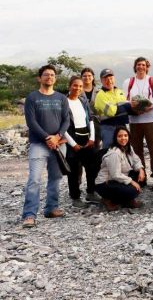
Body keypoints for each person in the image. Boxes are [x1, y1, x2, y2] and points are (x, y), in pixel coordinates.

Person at [21, 65, 71, 228]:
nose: (49, 77)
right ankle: (29, 215)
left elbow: (66, 121)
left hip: (58, 145)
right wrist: (47, 138)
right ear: (39, 78)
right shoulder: (32, 97)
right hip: (38, 144)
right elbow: (31, 122)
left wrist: (57, 137)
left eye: (52, 75)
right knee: (34, 179)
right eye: (46, 75)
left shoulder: (61, 98)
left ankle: (51, 208)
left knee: (55, 178)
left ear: (55, 78)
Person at [123, 56, 153, 188]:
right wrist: (134, 107)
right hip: (134, 120)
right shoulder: (129, 82)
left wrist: (149, 106)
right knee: (137, 150)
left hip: (150, 119)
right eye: (138, 65)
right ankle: (141, 177)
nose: (141, 67)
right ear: (135, 67)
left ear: (147, 67)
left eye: (143, 65)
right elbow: (125, 99)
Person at [63, 76, 99, 208]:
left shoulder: (83, 101)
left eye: (80, 86)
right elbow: (63, 125)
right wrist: (73, 144)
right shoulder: (63, 102)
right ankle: (75, 197)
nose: (77, 88)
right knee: (73, 170)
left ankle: (91, 192)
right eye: (75, 85)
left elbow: (90, 119)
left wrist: (92, 138)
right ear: (69, 86)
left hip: (87, 137)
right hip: (72, 138)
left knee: (92, 167)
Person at [94, 126, 146, 211]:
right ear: (115, 138)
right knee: (133, 191)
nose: (123, 138)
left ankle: (126, 200)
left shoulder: (128, 147)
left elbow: (136, 160)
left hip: (117, 179)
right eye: (120, 136)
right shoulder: (114, 153)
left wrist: (141, 170)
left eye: (125, 135)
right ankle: (108, 199)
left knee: (140, 178)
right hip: (105, 184)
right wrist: (132, 182)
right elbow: (115, 175)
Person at [94, 68, 134, 149]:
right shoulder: (100, 95)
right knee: (110, 151)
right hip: (108, 128)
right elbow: (111, 111)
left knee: (125, 150)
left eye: (111, 78)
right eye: (106, 79)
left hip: (122, 126)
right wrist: (127, 106)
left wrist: (135, 108)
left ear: (114, 78)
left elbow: (127, 109)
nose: (109, 81)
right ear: (101, 81)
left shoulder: (120, 91)